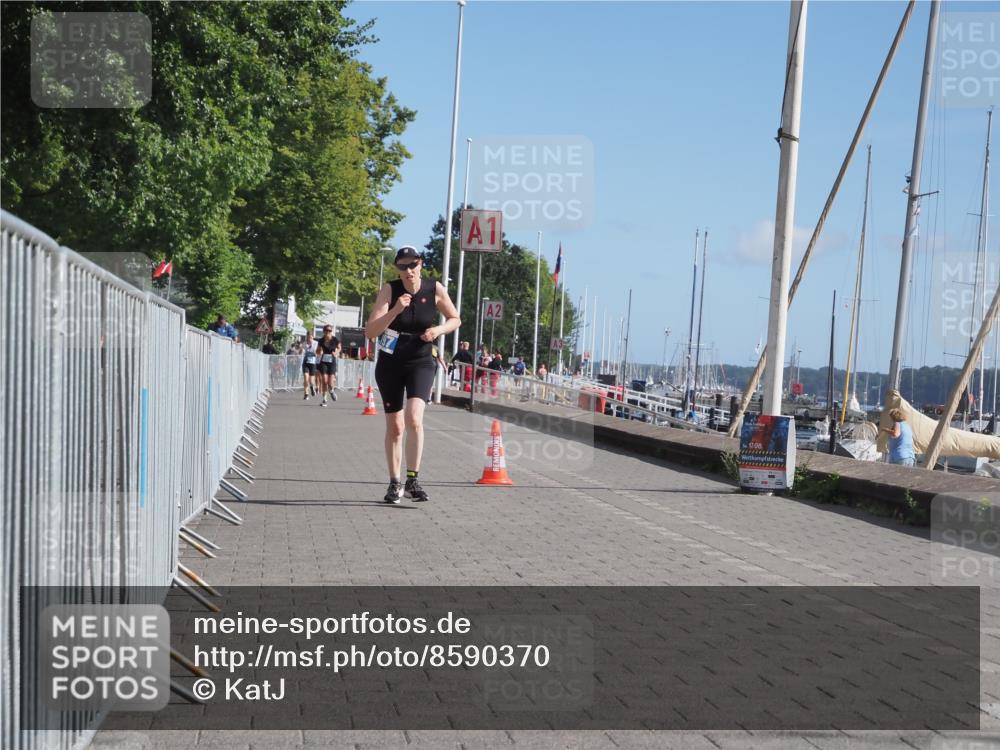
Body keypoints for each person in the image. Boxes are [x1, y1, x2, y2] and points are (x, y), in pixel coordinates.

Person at [365, 246, 460, 503]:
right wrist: (395, 310)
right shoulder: (390, 289)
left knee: (414, 419)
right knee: (395, 427)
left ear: (421, 264)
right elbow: (371, 332)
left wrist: (438, 331)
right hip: (391, 362)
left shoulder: (434, 288)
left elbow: (455, 319)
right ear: (397, 269)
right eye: (403, 267)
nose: (408, 271)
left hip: (420, 359)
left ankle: (412, 480)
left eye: (413, 265)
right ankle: (394, 483)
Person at [316, 326, 341, 407]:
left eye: (330, 330)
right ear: (324, 331)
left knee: (330, 382)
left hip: (332, 361)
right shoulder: (321, 340)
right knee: (324, 380)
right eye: (326, 330)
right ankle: (324, 399)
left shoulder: (335, 339)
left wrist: (336, 352)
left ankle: (332, 391)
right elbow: (317, 350)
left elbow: (339, 348)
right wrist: (319, 351)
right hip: (324, 361)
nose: (328, 332)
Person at [301, 332, 318, 400]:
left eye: (311, 338)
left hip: (313, 363)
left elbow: (318, 352)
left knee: (311, 380)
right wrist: (301, 350)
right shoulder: (304, 343)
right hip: (306, 362)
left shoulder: (316, 343)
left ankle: (312, 387)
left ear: (313, 338)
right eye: (308, 338)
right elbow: (301, 351)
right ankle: (306, 394)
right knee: (305, 377)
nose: (309, 339)